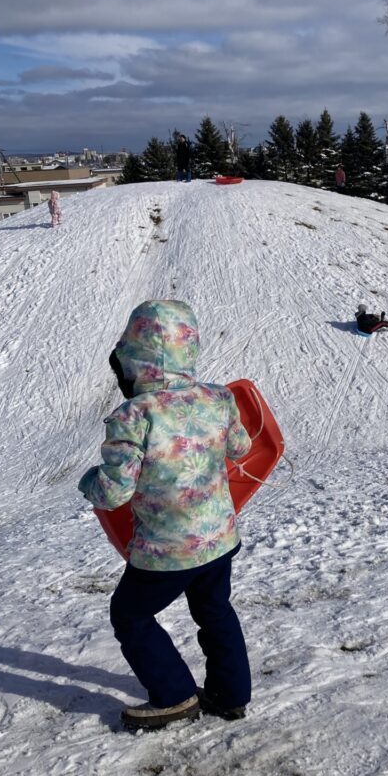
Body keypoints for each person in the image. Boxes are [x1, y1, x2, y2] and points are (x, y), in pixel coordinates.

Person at [78, 300, 253, 730]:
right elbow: (242, 449)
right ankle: (231, 696)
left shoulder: (134, 416)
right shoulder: (218, 398)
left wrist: (87, 481)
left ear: (133, 357)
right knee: (215, 610)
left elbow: (114, 492)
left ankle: (174, 696)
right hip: (218, 539)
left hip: (166, 550)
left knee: (130, 614)